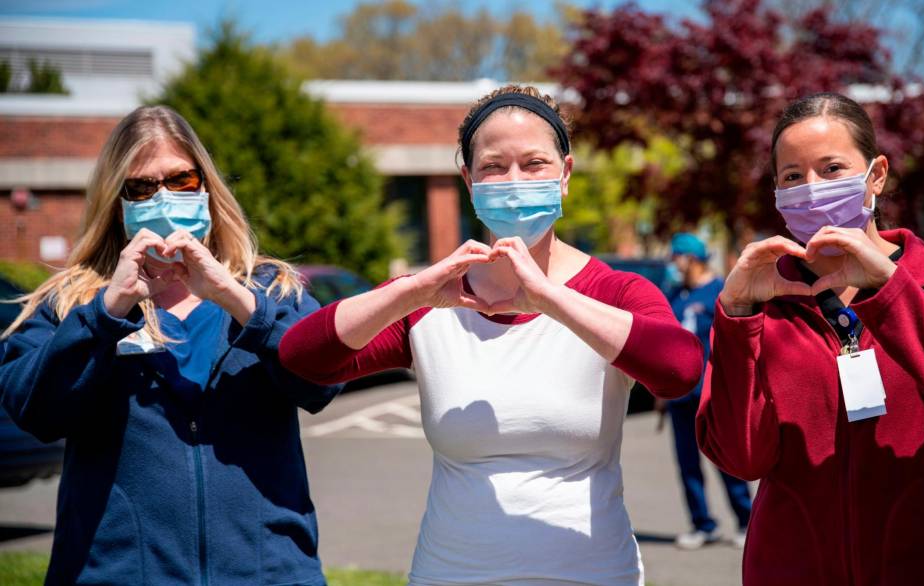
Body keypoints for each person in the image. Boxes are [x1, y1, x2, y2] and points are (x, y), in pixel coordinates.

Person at [278, 85, 704, 586]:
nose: (514, 181)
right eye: (495, 167)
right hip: (450, 573)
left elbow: (680, 372)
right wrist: (411, 290)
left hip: (592, 573)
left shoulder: (614, 291)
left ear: (565, 174)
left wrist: (551, 299)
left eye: (535, 164)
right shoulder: (433, 299)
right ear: (469, 179)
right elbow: (303, 359)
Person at [0, 105, 341, 585]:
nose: (162, 197)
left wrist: (233, 298)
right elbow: (33, 410)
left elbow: (323, 382)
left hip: (269, 574)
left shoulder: (270, 289)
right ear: (116, 200)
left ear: (206, 186)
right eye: (141, 186)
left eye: (180, 180)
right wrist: (106, 312)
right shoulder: (71, 301)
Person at [696, 92, 924, 585]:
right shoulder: (761, 297)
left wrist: (891, 290)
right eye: (793, 176)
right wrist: (736, 316)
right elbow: (742, 458)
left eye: (832, 168)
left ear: (876, 175)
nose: (812, 188)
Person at [656, 233, 750, 550]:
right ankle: (702, 524)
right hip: (679, 396)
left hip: (713, 394)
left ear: (691, 258)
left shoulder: (719, 291)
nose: (673, 264)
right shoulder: (676, 294)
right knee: (687, 464)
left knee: (726, 460)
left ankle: (746, 520)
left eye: (676, 257)